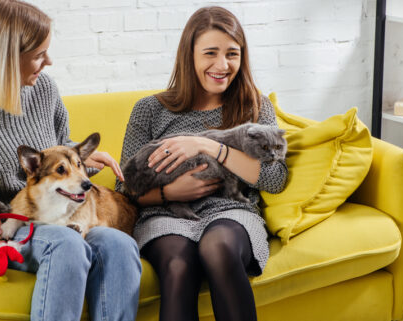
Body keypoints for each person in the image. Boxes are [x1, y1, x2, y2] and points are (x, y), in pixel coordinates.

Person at [0, 1, 141, 320]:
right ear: (6, 59)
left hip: (60, 210)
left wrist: (85, 159)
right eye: (40, 55)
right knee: (67, 244)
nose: (49, 62)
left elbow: (60, 144)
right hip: (13, 226)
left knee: (118, 244)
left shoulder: (43, 90)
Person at [116, 6, 288, 321]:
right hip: (163, 214)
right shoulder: (149, 110)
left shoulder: (254, 106)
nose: (222, 65)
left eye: (232, 54)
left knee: (218, 247)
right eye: (210, 53)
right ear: (189, 55)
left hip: (231, 213)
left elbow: (275, 178)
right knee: (179, 264)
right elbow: (124, 187)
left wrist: (209, 146)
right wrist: (171, 194)